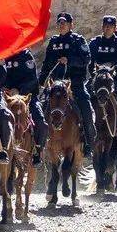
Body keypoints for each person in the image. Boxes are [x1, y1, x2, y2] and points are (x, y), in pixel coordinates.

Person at [39, 11, 96, 156]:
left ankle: (89, 144)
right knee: (40, 109)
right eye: (59, 23)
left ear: (71, 25)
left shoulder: (78, 40)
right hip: (56, 85)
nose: (61, 25)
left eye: (64, 23)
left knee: (87, 111)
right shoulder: (53, 42)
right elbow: (46, 65)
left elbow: (86, 59)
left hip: (75, 84)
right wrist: (40, 84)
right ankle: (37, 145)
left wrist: (69, 60)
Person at [88, 15, 117, 133]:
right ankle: (83, 126)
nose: (108, 28)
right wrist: (94, 72)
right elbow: (89, 61)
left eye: (111, 26)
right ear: (102, 27)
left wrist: (113, 65)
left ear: (115, 28)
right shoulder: (94, 43)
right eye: (106, 26)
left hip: (115, 78)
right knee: (82, 95)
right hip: (97, 79)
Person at [1, 46, 48, 154]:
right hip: (6, 97)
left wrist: (18, 89)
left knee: (41, 123)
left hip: (26, 97)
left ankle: (38, 151)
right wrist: (3, 87)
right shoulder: (1, 55)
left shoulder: (25, 55)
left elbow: (32, 79)